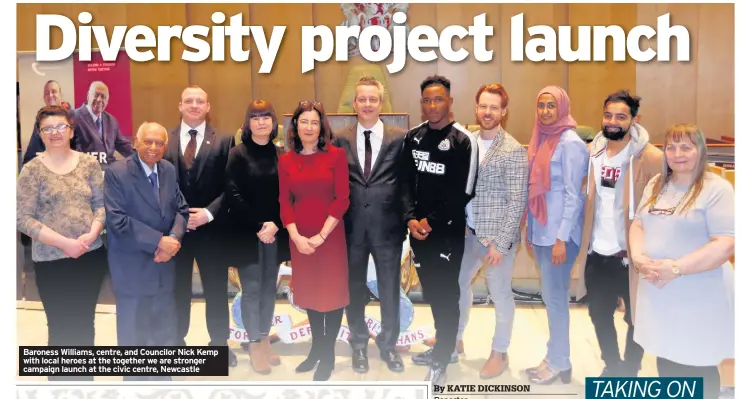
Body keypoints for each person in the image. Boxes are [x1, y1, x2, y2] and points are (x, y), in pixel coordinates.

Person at [630, 124, 734, 399]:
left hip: (699, 294)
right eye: (672, 147)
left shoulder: (718, 189)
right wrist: (639, 258)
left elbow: (725, 244)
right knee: (666, 358)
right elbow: (638, 224)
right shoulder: (657, 185)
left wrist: (676, 268)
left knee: (697, 363)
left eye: (686, 147)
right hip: (660, 292)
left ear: (700, 150)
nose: (678, 153)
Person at [574, 90, 663, 377]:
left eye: (621, 117)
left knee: (636, 318)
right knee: (598, 314)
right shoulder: (593, 153)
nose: (612, 122)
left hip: (633, 255)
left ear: (634, 120)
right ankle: (612, 366)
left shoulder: (651, 158)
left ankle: (630, 369)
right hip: (598, 252)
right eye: (608, 115)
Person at [16, 105, 108, 381]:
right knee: (59, 323)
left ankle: (85, 382)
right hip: (51, 261)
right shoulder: (32, 170)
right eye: (48, 129)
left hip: (90, 256)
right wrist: (64, 243)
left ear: (71, 130)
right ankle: (60, 385)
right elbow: (23, 218)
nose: (55, 133)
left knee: (85, 320)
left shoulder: (89, 164)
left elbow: (102, 206)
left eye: (61, 127)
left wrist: (92, 234)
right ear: (40, 134)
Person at [401, 75, 478, 386]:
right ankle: (442, 347)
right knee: (431, 291)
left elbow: (464, 191)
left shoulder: (463, 140)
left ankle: (445, 355)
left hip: (445, 232)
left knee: (447, 293)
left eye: (439, 100)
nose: (432, 106)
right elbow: (404, 182)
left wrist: (429, 221)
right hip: (417, 232)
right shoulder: (413, 138)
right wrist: (410, 219)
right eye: (427, 100)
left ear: (450, 101)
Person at [104, 122, 189, 381]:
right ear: (135, 143)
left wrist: (173, 239)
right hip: (132, 267)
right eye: (148, 142)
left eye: (159, 143)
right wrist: (158, 242)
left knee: (164, 329)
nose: (153, 148)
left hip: (164, 266)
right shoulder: (116, 173)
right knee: (134, 334)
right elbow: (117, 220)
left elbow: (181, 209)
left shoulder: (168, 170)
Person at [333, 76, 407, 374]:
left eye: (372, 99)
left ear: (381, 102)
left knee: (390, 290)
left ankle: (388, 346)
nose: (367, 104)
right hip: (350, 230)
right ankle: (359, 345)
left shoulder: (400, 138)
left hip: (388, 229)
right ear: (355, 103)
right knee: (353, 289)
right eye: (362, 99)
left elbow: (405, 184)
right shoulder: (340, 138)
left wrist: (407, 219)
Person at [455, 84, 528, 379]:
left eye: (494, 107)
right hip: (469, 233)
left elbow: (517, 202)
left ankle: (500, 352)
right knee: (457, 285)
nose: (487, 112)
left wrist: (501, 243)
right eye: (483, 106)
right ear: (476, 108)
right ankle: (455, 338)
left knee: (500, 295)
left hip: (497, 240)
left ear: (503, 112)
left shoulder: (512, 150)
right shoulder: (467, 142)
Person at [162, 86, 237, 366]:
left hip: (211, 230)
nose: (194, 105)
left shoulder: (225, 140)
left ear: (208, 107)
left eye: (200, 101)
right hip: (174, 230)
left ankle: (219, 344)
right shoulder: (163, 139)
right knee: (177, 290)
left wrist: (208, 213)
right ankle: (177, 344)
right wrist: (180, 216)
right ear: (180, 106)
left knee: (216, 290)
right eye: (189, 101)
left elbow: (232, 185)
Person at [278, 101, 350, 381]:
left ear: (322, 128)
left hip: (329, 237)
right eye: (304, 121)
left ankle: (328, 354)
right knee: (309, 294)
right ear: (295, 126)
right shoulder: (286, 160)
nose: (309, 127)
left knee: (331, 296)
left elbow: (342, 198)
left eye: (315, 122)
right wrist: (296, 236)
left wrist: (321, 236)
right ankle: (316, 349)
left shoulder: (336, 155)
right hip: (300, 237)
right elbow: (285, 201)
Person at [524, 85, 588, 385]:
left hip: (559, 236)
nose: (546, 111)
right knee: (552, 298)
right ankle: (555, 358)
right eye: (541, 106)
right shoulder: (541, 138)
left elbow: (575, 196)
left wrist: (561, 238)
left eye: (551, 106)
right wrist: (531, 228)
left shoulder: (570, 142)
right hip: (542, 231)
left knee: (556, 299)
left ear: (562, 107)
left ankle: (560, 362)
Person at [224, 99, 290, 374]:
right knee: (251, 289)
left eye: (266, 117)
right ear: (247, 123)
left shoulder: (282, 154)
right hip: (247, 233)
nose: (261, 121)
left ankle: (263, 337)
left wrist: (274, 223)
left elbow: (287, 194)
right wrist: (259, 225)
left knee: (267, 288)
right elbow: (233, 192)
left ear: (274, 122)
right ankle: (253, 343)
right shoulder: (237, 154)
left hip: (274, 232)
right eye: (255, 117)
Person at [73, 81, 135, 167]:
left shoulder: (112, 121)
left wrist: (141, 156)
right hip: (87, 168)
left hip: (110, 168)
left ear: (107, 101)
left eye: (103, 97)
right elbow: (74, 150)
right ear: (88, 96)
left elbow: (122, 145)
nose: (99, 99)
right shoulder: (74, 117)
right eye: (96, 95)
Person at [22, 81, 74, 166]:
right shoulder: (41, 119)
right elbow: (32, 151)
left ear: (60, 94)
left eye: (54, 91)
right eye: (46, 93)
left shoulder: (73, 117)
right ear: (43, 97)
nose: (50, 95)